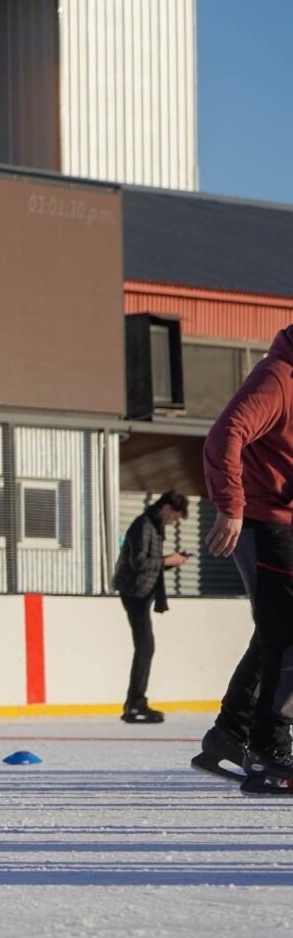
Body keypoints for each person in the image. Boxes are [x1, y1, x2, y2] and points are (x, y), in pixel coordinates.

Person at [203, 323, 293, 795]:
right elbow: (226, 433)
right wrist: (231, 506)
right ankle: (269, 753)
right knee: (287, 633)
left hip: (281, 522)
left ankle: (231, 736)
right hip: (261, 521)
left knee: (274, 631)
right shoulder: (278, 377)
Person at [110, 492, 192, 723]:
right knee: (145, 647)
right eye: (175, 516)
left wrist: (172, 561)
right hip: (134, 592)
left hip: (142, 592)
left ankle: (136, 702)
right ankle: (135, 703)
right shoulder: (144, 525)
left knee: (146, 647)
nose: (174, 522)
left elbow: (149, 564)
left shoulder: (153, 527)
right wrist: (167, 560)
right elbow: (139, 562)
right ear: (167, 508)